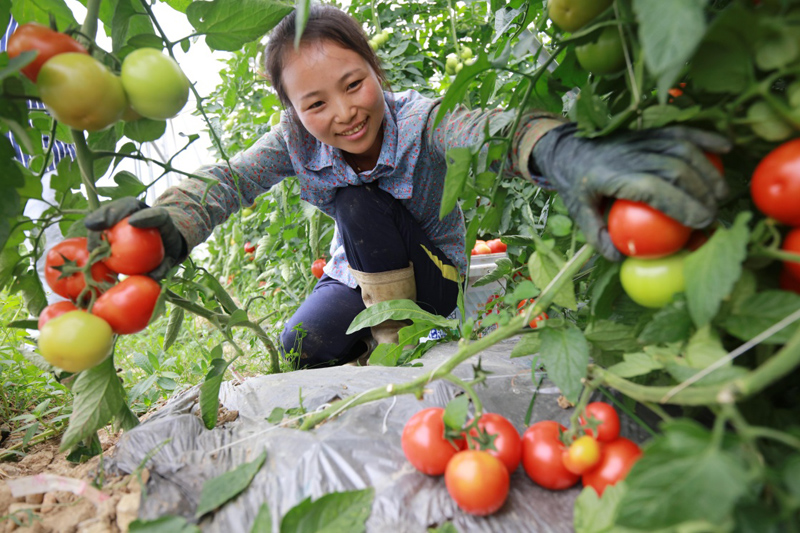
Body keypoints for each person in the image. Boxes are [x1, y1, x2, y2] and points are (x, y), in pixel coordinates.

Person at [84, 5, 729, 369]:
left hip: (435, 280)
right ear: (291, 109)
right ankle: (372, 335)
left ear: (376, 70)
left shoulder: (424, 123)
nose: (342, 113)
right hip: (352, 276)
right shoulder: (294, 142)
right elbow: (228, 181)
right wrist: (171, 223)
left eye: (354, 84)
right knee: (298, 350)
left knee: (360, 202)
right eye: (314, 103)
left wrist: (563, 150)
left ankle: (397, 344)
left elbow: (494, 131)